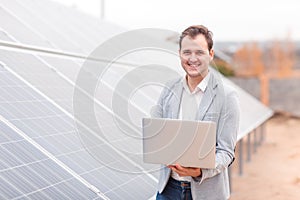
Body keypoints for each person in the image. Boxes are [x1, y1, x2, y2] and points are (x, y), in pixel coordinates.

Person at [151, 25, 240, 199]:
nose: (192, 59)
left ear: (211, 54)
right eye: (187, 52)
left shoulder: (227, 96)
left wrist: (200, 170)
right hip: (168, 190)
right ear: (179, 54)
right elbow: (157, 133)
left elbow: (226, 152)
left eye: (199, 52)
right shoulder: (169, 89)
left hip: (205, 193)